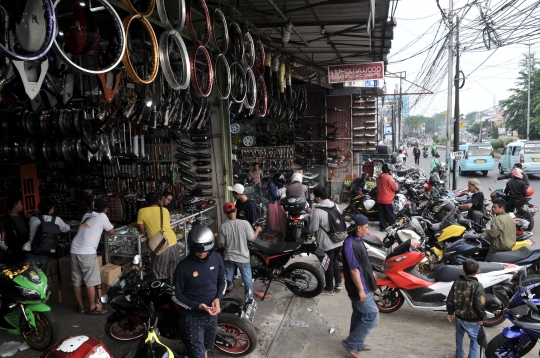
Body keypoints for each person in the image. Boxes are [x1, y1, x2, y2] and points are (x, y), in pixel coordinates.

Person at [173, 226, 226, 358]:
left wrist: (218, 298)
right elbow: (176, 295)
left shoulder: (217, 258)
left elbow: (222, 281)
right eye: (198, 250)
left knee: (206, 348)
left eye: (205, 250)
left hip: (212, 315)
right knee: (197, 355)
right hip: (192, 319)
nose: (202, 253)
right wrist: (197, 306)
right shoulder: (182, 267)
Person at [341, 214, 379, 358]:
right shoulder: (349, 244)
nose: (367, 230)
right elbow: (353, 269)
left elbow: (363, 262)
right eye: (366, 227)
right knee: (372, 315)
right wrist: (361, 290)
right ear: (358, 228)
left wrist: (371, 273)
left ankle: (356, 343)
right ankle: (352, 342)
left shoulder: (358, 240)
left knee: (358, 314)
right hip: (359, 288)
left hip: (366, 283)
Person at [70, 198, 114, 315]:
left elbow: (87, 227)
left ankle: (81, 307)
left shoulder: (86, 215)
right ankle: (93, 307)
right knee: (90, 281)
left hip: (74, 250)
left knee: (77, 280)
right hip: (87, 252)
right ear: (104, 209)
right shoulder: (102, 217)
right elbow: (111, 231)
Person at [219, 202, 261, 299]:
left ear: (225, 214)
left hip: (229, 258)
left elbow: (222, 245)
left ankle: (224, 300)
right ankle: (248, 301)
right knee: (248, 281)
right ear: (236, 210)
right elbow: (252, 239)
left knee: (227, 281)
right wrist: (258, 230)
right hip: (243, 258)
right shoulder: (244, 223)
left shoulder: (223, 226)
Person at [446, 259, 486, 358]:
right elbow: (479, 304)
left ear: (462, 270)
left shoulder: (457, 282)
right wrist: (482, 318)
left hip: (459, 316)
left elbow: (450, 298)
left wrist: (450, 312)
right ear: (478, 271)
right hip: (472, 319)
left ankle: (459, 354)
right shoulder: (477, 286)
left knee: (459, 336)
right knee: (475, 340)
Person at [307, 187, 343, 295]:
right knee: (334, 260)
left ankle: (329, 288)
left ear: (318, 197)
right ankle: (338, 283)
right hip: (339, 239)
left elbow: (313, 228)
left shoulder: (317, 211)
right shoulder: (335, 205)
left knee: (327, 265)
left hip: (327, 243)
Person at [137, 192, 181, 281]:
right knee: (173, 273)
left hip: (161, 246)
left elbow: (142, 230)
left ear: (146, 202)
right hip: (173, 243)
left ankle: (162, 294)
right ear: (158, 201)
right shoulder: (164, 210)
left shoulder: (142, 211)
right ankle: (173, 293)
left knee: (159, 275)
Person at [25, 199, 71, 271]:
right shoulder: (57, 220)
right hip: (46, 251)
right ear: (51, 210)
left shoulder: (33, 220)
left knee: (31, 274)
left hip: (32, 250)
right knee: (42, 275)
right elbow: (67, 229)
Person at [0, 196, 29, 264]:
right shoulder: (4, 220)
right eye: (21, 204)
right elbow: (2, 238)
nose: (22, 206)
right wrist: (8, 250)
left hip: (25, 248)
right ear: (15, 206)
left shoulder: (22, 217)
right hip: (15, 251)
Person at [376, 164, 398, 231]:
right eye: (390, 170)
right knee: (390, 214)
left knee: (382, 215)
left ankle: (383, 228)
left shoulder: (379, 177)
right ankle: (393, 227)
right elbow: (395, 188)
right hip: (388, 200)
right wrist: (396, 184)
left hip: (379, 199)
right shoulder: (388, 177)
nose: (391, 171)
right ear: (387, 170)